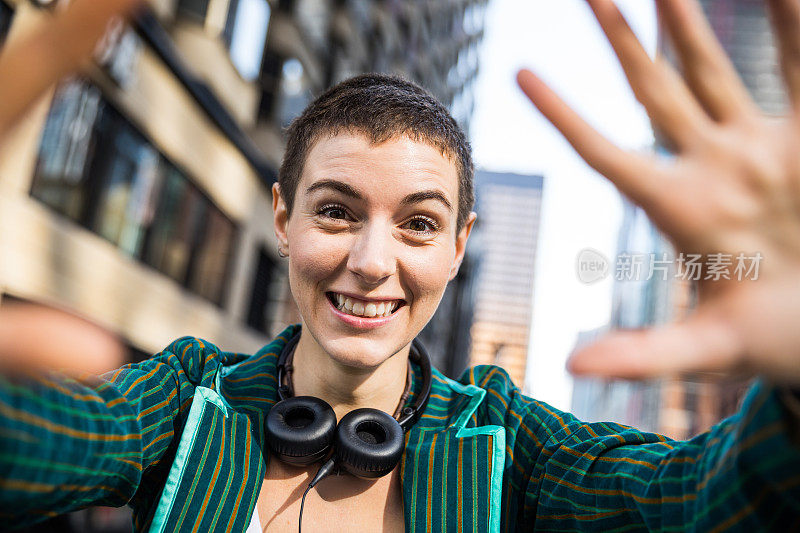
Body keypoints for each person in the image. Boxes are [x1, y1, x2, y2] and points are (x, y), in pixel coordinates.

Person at [2, 0, 800, 531]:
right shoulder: (184, 400)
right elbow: (42, 442)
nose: (371, 261)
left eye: (419, 224)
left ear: (458, 248)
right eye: (337, 211)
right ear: (282, 217)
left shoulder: (506, 444)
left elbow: (702, 501)